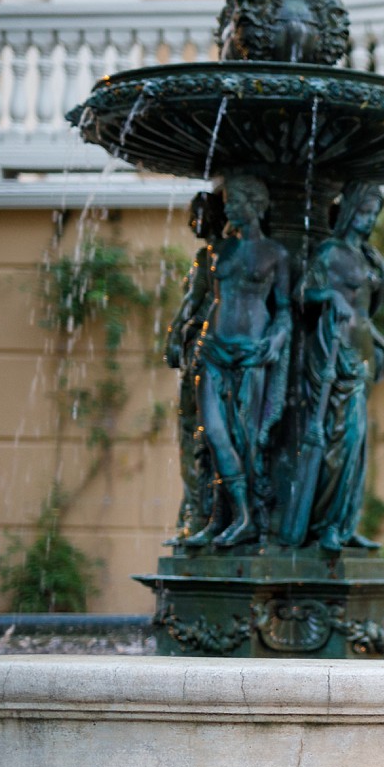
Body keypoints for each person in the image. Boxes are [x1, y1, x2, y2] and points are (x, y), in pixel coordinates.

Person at [185, 174, 292, 548]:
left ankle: (242, 518)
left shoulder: (276, 254)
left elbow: (283, 309)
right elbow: (214, 299)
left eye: (235, 200)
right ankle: (223, 516)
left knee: (244, 439)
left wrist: (278, 338)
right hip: (213, 350)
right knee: (214, 436)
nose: (227, 207)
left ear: (255, 204)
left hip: (251, 355)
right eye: (227, 201)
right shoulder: (221, 252)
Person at [295, 180, 384, 552]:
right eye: (365, 213)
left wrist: (383, 343)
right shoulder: (330, 253)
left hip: (364, 352)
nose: (369, 221)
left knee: (357, 442)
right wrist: (330, 295)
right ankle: (322, 525)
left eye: (374, 215)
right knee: (341, 438)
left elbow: (366, 312)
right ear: (350, 211)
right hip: (335, 355)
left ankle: (344, 522)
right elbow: (302, 294)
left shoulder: (371, 260)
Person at [162, 191, 223, 546]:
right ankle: (197, 513)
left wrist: (173, 338)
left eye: (197, 215)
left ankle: (200, 514)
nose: (192, 223)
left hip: (205, 355)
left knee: (197, 437)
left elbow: (190, 303)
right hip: (204, 353)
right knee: (199, 438)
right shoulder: (212, 256)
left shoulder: (211, 258)